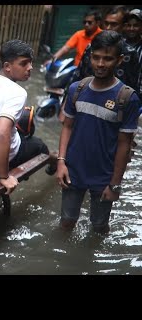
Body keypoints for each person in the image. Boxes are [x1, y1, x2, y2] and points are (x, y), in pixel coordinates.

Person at [56, 30, 140, 234]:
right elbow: (67, 126)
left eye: (108, 59)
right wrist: (61, 162)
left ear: (119, 60)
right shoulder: (77, 89)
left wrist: (115, 185)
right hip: (73, 170)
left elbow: (124, 144)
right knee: (66, 221)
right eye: (96, 57)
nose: (101, 64)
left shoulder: (127, 98)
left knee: (99, 225)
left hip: (104, 175)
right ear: (90, 56)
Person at [0, 39, 57, 195]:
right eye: (24, 63)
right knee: (39, 145)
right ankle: (53, 164)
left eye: (31, 63)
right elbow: (1, 133)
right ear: (7, 66)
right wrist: (4, 176)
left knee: (17, 129)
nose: (30, 68)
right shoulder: (18, 93)